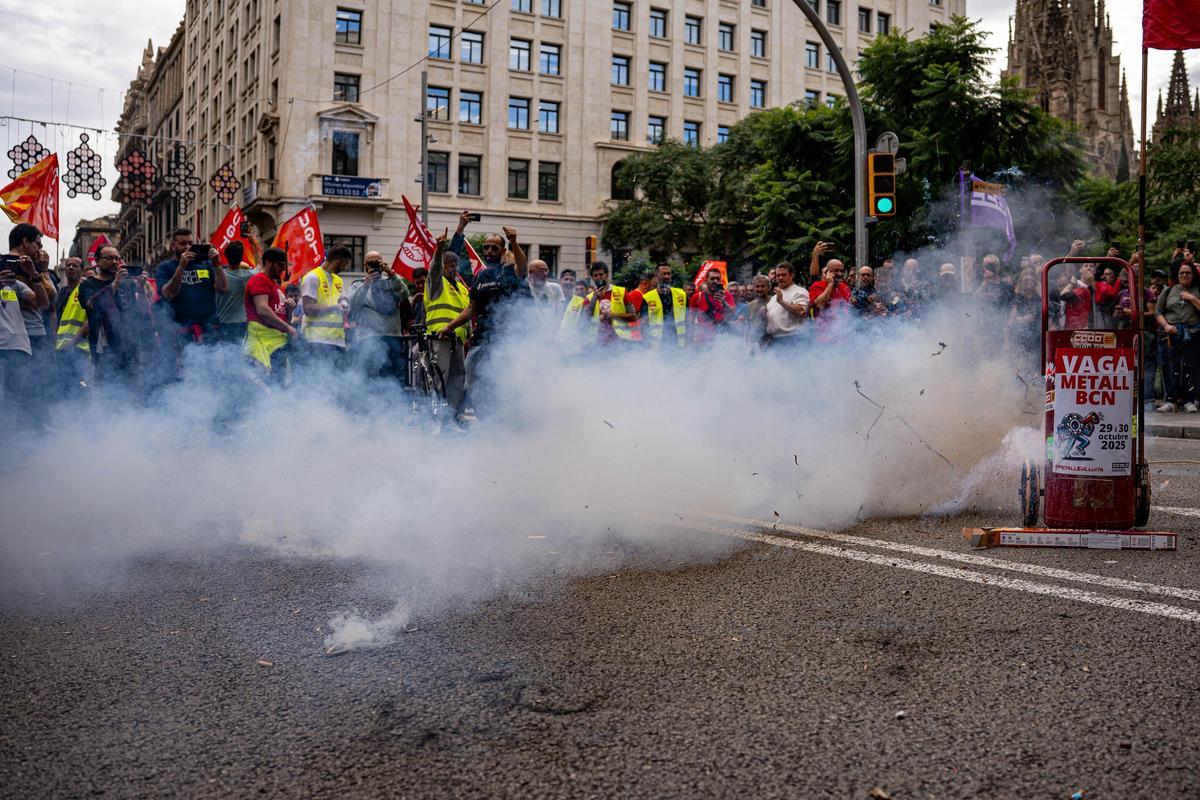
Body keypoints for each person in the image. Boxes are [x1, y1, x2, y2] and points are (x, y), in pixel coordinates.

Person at [441, 226, 530, 410]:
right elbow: (472, 308)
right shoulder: (481, 276)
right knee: (472, 379)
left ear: (503, 251)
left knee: (503, 382)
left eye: (494, 248)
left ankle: (508, 419)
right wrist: (449, 327)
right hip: (482, 338)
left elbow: (523, 267)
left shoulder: (510, 271)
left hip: (507, 340)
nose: (489, 251)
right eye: (486, 247)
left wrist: (513, 241)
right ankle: (486, 421)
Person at [79, 243, 156, 388]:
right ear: (97, 260)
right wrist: (114, 283)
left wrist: (140, 288)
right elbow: (92, 306)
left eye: (117, 258)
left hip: (130, 348)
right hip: (105, 350)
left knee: (132, 391)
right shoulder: (88, 285)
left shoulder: (127, 284)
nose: (114, 262)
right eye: (109, 258)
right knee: (107, 391)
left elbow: (142, 312)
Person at [8, 225, 54, 412]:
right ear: (25, 242)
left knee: (32, 385)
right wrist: (40, 272)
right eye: (37, 244)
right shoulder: (16, 267)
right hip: (20, 333)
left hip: (27, 332)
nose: (40, 250)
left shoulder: (33, 268)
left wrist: (39, 272)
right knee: (25, 388)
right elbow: (50, 296)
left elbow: (46, 300)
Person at [155, 227, 227, 347]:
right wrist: (181, 267)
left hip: (210, 330)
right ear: (173, 246)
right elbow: (168, 294)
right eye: (183, 244)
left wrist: (217, 264)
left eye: (190, 243)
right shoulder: (165, 267)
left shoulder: (206, 264)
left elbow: (223, 289)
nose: (188, 247)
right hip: (181, 332)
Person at [425, 234, 469, 420]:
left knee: (456, 381)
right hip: (439, 338)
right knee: (439, 379)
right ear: (442, 265)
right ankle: (435, 418)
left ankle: (450, 418)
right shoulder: (436, 282)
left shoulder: (461, 287)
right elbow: (434, 269)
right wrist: (438, 250)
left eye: (455, 265)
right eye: (449, 265)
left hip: (457, 341)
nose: (454, 268)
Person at [349, 249, 412, 380]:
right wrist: (366, 284)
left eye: (377, 262)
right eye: (370, 263)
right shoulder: (358, 284)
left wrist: (391, 274)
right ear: (365, 265)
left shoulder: (391, 281)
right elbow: (353, 306)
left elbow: (404, 295)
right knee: (371, 376)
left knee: (394, 377)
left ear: (382, 262)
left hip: (392, 335)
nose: (374, 266)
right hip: (368, 337)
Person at [243, 247, 296, 376]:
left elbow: (284, 318)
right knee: (263, 385)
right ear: (268, 262)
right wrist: (288, 328)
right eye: (280, 265)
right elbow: (262, 310)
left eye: (284, 265)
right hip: (262, 343)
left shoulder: (275, 285)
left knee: (278, 384)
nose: (283, 269)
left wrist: (289, 310)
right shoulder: (259, 280)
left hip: (277, 343)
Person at [1154, 262, 1200, 413]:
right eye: (1182, 273)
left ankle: (1189, 400)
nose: (1185, 275)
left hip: (1192, 334)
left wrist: (1191, 298)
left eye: (1188, 273)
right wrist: (1166, 326)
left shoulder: (1197, 290)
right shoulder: (1168, 291)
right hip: (1170, 334)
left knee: (1190, 367)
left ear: (1193, 275)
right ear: (1177, 275)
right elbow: (1158, 311)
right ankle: (1171, 400)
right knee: (1170, 366)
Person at [565, 261, 641, 347]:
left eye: (601, 275)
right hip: (597, 344)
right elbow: (583, 321)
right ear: (592, 278)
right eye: (595, 275)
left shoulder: (622, 292)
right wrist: (595, 298)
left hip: (620, 343)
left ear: (607, 275)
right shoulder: (589, 298)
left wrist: (614, 315)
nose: (598, 278)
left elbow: (634, 317)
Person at [0, 251, 39, 414]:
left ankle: (10, 437)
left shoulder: (15, 285)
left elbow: (42, 302)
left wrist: (34, 274)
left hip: (17, 348)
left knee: (12, 400)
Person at [300, 245, 351, 364]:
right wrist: (335, 308)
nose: (345, 267)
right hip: (317, 341)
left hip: (337, 341)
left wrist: (345, 303)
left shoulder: (338, 280)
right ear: (337, 263)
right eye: (345, 264)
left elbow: (343, 301)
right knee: (319, 380)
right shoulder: (312, 277)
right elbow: (308, 308)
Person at [53, 257, 92, 392]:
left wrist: (73, 342)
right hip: (62, 350)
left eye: (74, 266)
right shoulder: (62, 292)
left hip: (80, 349)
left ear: (82, 270)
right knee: (65, 389)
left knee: (80, 389)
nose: (70, 268)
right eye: (68, 265)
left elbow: (92, 319)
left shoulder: (87, 289)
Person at [639, 262, 687, 351]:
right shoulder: (648, 297)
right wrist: (646, 344)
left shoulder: (681, 294)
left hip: (678, 344)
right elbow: (643, 324)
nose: (666, 277)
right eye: (663, 274)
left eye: (669, 274)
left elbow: (687, 318)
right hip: (657, 346)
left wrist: (688, 341)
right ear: (656, 276)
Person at [214, 241, 255, 346]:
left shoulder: (217, 274)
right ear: (242, 257)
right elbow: (260, 265)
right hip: (241, 324)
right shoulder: (247, 275)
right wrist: (252, 240)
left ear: (226, 256)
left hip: (222, 325)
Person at [765, 262, 810, 345]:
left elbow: (801, 311)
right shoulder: (775, 297)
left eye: (783, 275)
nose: (780, 278)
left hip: (792, 338)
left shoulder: (799, 291)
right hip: (775, 339)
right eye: (778, 275)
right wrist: (764, 314)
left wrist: (781, 301)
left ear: (791, 275)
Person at [688, 267, 735, 345]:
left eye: (717, 279)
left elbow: (732, 313)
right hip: (702, 340)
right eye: (712, 279)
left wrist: (723, 302)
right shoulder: (697, 297)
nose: (715, 281)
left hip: (722, 339)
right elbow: (691, 320)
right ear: (706, 280)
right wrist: (690, 340)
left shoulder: (727, 295)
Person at [526, 258, 566, 337]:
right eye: (541, 271)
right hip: (533, 334)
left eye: (546, 270)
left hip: (552, 333)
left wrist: (552, 332)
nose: (545, 274)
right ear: (531, 272)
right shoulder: (527, 289)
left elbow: (560, 314)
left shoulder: (555, 287)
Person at [808, 259, 851, 323]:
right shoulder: (817, 285)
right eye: (836, 270)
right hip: (823, 330)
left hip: (843, 328)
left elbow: (847, 309)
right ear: (828, 272)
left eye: (842, 271)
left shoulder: (844, 287)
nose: (840, 273)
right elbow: (819, 304)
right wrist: (830, 284)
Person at [745, 274, 772, 350]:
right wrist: (746, 339)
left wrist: (766, 318)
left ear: (768, 288)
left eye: (763, 286)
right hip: (753, 343)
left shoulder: (774, 302)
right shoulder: (750, 305)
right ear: (754, 288)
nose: (760, 289)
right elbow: (748, 324)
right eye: (757, 286)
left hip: (769, 343)